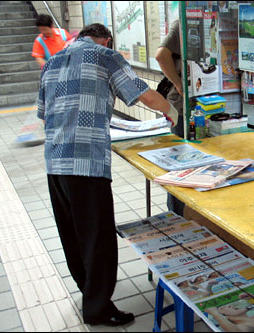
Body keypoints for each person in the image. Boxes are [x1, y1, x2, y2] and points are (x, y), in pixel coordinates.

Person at [37, 23, 178, 327]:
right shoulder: (105, 56)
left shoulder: (52, 61)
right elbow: (144, 95)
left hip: (55, 162)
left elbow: (43, 112)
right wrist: (175, 112)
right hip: (86, 164)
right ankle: (98, 309)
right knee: (98, 238)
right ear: (106, 40)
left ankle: (89, 291)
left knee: (74, 234)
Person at [155, 20, 186, 216]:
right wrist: (178, 83)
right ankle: (176, 215)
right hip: (183, 108)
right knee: (181, 164)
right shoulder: (182, 23)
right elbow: (161, 55)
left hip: (209, 106)